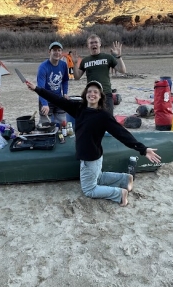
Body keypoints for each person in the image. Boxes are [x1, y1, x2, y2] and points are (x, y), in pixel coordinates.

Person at [25, 79, 161, 207]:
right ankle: (126, 180)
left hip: (90, 158)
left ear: (101, 96)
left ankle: (120, 194)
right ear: (85, 94)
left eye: (96, 92)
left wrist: (143, 149)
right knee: (98, 177)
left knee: (89, 189)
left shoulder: (103, 116)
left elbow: (122, 134)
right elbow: (57, 99)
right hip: (93, 157)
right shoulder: (79, 108)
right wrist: (37, 89)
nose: (92, 94)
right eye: (89, 91)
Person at [73, 35, 126, 115]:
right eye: (91, 43)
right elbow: (77, 77)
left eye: (96, 42)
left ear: (100, 44)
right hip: (92, 96)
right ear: (88, 45)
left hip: (106, 94)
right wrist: (75, 64)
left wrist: (118, 56)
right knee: (93, 120)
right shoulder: (85, 60)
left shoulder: (108, 57)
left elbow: (122, 70)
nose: (94, 44)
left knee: (108, 121)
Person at [37, 41, 69, 125]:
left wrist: (65, 93)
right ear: (49, 52)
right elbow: (40, 89)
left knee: (63, 124)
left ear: (61, 52)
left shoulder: (64, 65)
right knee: (45, 125)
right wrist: (44, 104)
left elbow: (65, 80)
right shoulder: (43, 67)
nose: (57, 52)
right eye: (54, 50)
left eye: (59, 50)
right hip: (46, 99)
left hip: (58, 98)